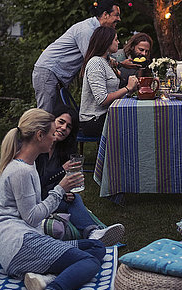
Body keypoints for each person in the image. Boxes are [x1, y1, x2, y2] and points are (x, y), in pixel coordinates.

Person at [0, 109, 107, 290]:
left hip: (26, 239)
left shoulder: (29, 164)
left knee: (96, 247)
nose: (56, 137)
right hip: (18, 245)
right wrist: (60, 189)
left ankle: (44, 278)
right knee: (89, 261)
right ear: (39, 135)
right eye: (52, 132)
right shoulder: (20, 171)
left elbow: (31, 215)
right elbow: (32, 217)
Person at [35, 102, 125, 245]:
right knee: (74, 202)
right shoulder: (38, 148)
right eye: (61, 122)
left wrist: (64, 191)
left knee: (73, 198)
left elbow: (56, 184)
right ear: (51, 121)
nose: (64, 128)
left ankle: (93, 233)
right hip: (34, 201)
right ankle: (92, 232)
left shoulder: (61, 150)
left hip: (49, 196)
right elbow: (36, 183)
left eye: (69, 126)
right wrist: (61, 171)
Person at [32, 0, 121, 114]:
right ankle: (32, 132)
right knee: (44, 115)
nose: (119, 19)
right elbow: (93, 59)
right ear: (105, 15)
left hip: (55, 75)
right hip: (48, 71)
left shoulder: (95, 30)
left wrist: (120, 64)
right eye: (117, 15)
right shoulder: (87, 30)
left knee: (56, 116)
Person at [79, 26, 139, 137]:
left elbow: (113, 92)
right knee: (134, 123)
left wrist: (131, 90)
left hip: (105, 115)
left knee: (136, 116)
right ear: (106, 42)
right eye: (116, 39)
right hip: (94, 120)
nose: (118, 42)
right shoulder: (96, 63)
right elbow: (102, 100)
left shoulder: (106, 61)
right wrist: (127, 88)